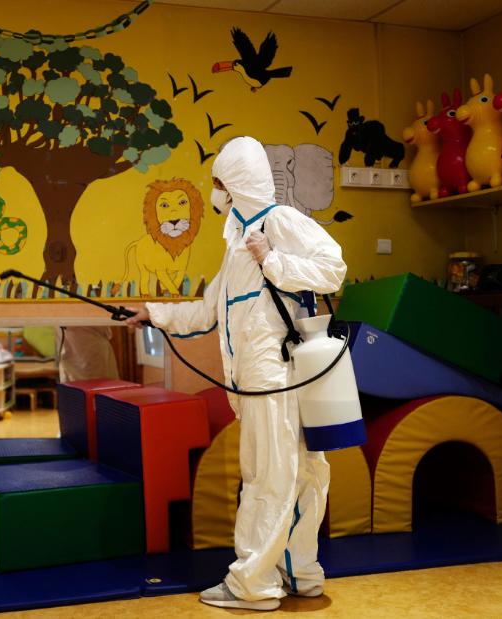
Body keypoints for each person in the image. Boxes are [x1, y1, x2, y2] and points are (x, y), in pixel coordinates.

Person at [125, 136, 346, 611]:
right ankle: (299, 573)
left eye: (218, 183)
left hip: (276, 376)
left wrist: (272, 259)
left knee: (272, 476)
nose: (215, 194)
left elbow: (332, 270)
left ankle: (253, 584)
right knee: (298, 472)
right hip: (262, 378)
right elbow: (207, 313)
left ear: (235, 184)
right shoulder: (236, 248)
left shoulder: (277, 223)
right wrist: (152, 312)